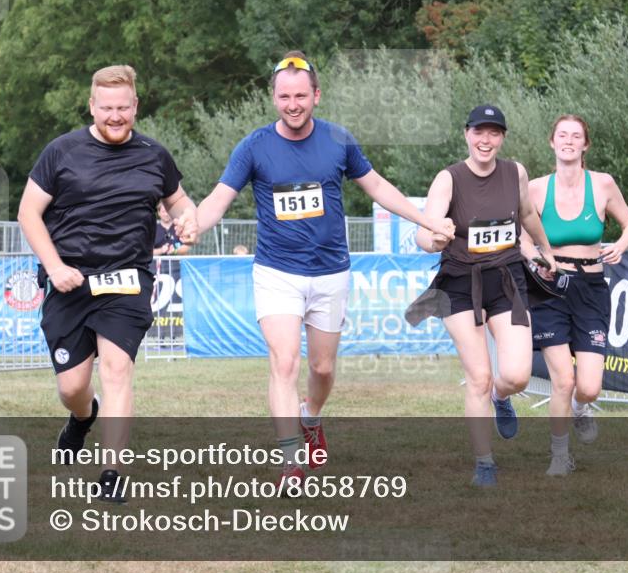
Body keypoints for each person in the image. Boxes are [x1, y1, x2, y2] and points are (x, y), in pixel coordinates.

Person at [195, 52, 455, 486]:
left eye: (300, 95)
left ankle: (311, 416)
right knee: (283, 363)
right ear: (273, 98)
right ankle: (290, 462)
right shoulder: (254, 146)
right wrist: (192, 224)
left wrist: (427, 219)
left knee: (322, 369)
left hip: (331, 272)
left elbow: (378, 187)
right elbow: (218, 199)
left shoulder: (339, 140)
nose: (292, 104)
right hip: (276, 272)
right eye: (284, 96)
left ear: (316, 95)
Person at [18, 65, 198, 500]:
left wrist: (187, 219)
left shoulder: (155, 155)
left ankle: (111, 474)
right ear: (92, 106)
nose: (115, 116)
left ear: (135, 106)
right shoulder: (61, 152)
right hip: (70, 282)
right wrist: (56, 267)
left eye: (123, 108)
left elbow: (178, 201)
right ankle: (82, 418)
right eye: (107, 108)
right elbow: (28, 213)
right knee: (72, 387)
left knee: (118, 370)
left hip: (127, 280)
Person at [405, 105, 559, 487]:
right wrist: (433, 238)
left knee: (517, 375)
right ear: (466, 134)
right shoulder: (449, 178)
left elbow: (526, 215)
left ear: (502, 137)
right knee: (478, 377)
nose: (485, 140)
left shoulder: (515, 172)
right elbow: (424, 233)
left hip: (507, 280)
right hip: (459, 283)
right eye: (479, 132)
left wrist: (545, 249)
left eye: (493, 133)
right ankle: (484, 462)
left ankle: (502, 398)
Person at [522, 114, 628, 477]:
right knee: (563, 379)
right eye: (562, 135)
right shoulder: (537, 189)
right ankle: (559, 455)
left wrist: (619, 245)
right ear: (552, 142)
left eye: (576, 136)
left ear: (585, 145)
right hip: (550, 289)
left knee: (587, 386)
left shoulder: (602, 184)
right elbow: (521, 235)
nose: (569, 141)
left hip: (591, 288)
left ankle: (581, 408)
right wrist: (535, 256)